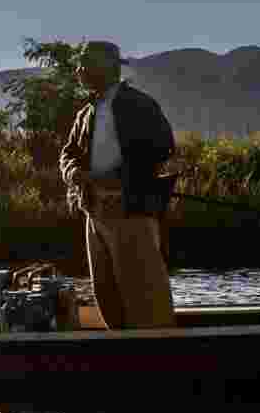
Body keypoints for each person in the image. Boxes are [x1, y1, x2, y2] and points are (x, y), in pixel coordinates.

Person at [56, 39, 178, 330]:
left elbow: (164, 152)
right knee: (106, 289)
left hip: (131, 209)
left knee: (145, 293)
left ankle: (158, 351)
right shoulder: (86, 112)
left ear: (105, 68)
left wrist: (121, 181)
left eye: (84, 64)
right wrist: (75, 173)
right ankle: (122, 349)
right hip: (94, 211)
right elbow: (68, 153)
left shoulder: (140, 105)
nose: (79, 71)